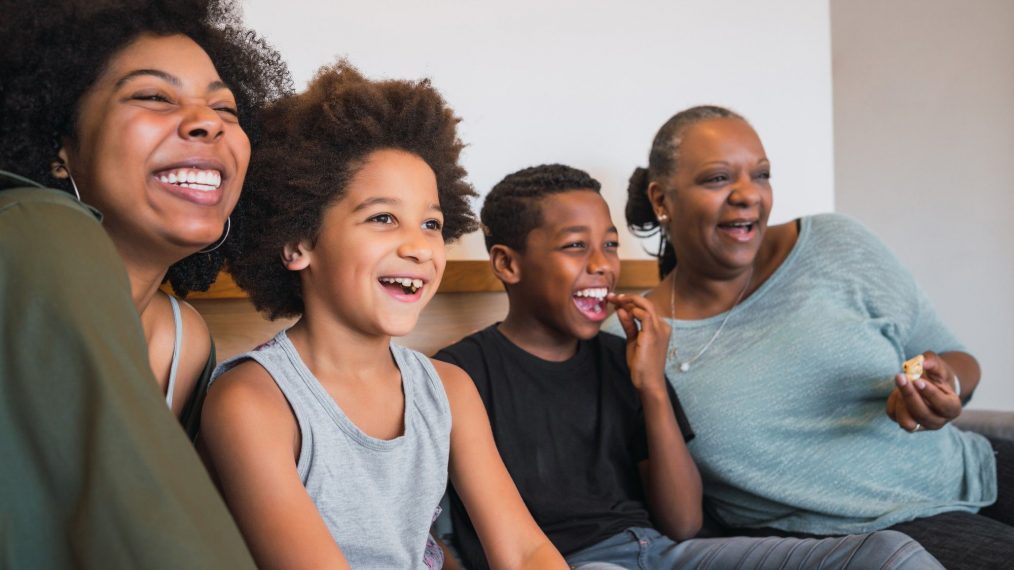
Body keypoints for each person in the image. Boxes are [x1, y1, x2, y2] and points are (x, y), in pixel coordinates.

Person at [434, 163, 943, 569]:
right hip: (568, 562)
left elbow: (681, 521)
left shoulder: (625, 358)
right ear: (507, 264)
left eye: (610, 244)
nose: (602, 263)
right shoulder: (460, 376)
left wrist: (652, 386)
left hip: (662, 552)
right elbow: (438, 537)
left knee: (888, 554)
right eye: (575, 246)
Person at [604, 105, 1014, 569]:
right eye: (718, 179)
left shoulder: (835, 244)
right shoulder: (633, 339)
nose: (747, 195)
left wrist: (943, 388)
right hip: (872, 537)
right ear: (662, 200)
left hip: (979, 469)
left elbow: (959, 359)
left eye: (760, 175)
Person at [200, 62, 567, 570]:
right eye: (383, 218)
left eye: (432, 223)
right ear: (298, 241)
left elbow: (525, 552)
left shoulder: (449, 390)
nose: (419, 247)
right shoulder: (251, 402)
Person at [0, 0, 289, 567]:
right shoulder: (31, 229)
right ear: (60, 147)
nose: (207, 121)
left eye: (226, 108)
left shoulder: (184, 338)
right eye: (154, 96)